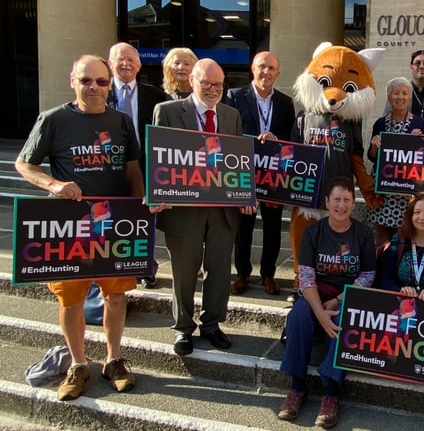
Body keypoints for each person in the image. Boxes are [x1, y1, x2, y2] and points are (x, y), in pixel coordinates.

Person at [15, 54, 146, 400]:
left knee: (115, 297)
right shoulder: (54, 119)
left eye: (102, 82)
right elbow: (24, 163)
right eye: (86, 80)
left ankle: (114, 360)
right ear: (72, 79)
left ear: (110, 85)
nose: (94, 88)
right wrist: (52, 184)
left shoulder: (120, 122)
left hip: (114, 224)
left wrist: (142, 210)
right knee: (71, 300)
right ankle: (78, 363)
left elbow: (133, 170)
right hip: (69, 226)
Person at [153, 58, 254, 356]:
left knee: (220, 270)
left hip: (222, 208)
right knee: (185, 271)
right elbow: (158, 155)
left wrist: (245, 193)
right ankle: (183, 328)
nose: (213, 90)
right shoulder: (168, 111)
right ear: (192, 82)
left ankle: (212, 323)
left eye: (219, 84)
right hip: (183, 208)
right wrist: (158, 190)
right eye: (206, 83)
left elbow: (237, 161)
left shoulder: (231, 115)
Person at [277, 176, 376, 429]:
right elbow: (306, 276)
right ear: (326, 202)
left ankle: (331, 392)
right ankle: (297, 387)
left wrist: (338, 300)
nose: (341, 205)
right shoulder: (313, 232)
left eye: (346, 200)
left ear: (354, 204)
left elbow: (367, 275)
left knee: (345, 320)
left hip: (347, 295)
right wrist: (320, 311)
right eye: (336, 200)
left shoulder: (363, 234)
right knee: (298, 316)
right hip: (314, 293)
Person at [226, 51, 296, 295]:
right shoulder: (234, 96)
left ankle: (268, 274)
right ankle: (242, 273)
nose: (266, 72)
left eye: (271, 68)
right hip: (244, 173)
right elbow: (228, 134)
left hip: (274, 176)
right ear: (252, 69)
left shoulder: (286, 103)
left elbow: (291, 139)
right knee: (243, 227)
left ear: (278, 73)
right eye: (262, 67)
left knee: (273, 226)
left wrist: (275, 138)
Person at [107, 42, 169, 288]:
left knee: (145, 218)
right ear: (110, 63)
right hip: (109, 167)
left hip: (145, 165)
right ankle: (111, 264)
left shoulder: (153, 95)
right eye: (120, 59)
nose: (126, 64)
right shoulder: (99, 90)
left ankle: (144, 266)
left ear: (139, 65)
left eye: (131, 60)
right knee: (111, 218)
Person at [367, 76, 424, 245]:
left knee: (404, 234)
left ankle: (400, 268)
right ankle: (380, 267)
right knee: (381, 234)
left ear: (409, 97)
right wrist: (374, 145)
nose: (400, 97)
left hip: (406, 190)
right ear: (389, 97)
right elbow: (372, 157)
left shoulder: (419, 122)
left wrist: (422, 141)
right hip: (383, 189)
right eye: (396, 93)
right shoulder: (380, 124)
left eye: (404, 93)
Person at [383, 50, 424, 134]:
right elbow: (386, 121)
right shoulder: (397, 94)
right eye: (417, 63)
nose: (421, 66)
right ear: (411, 67)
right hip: (403, 144)